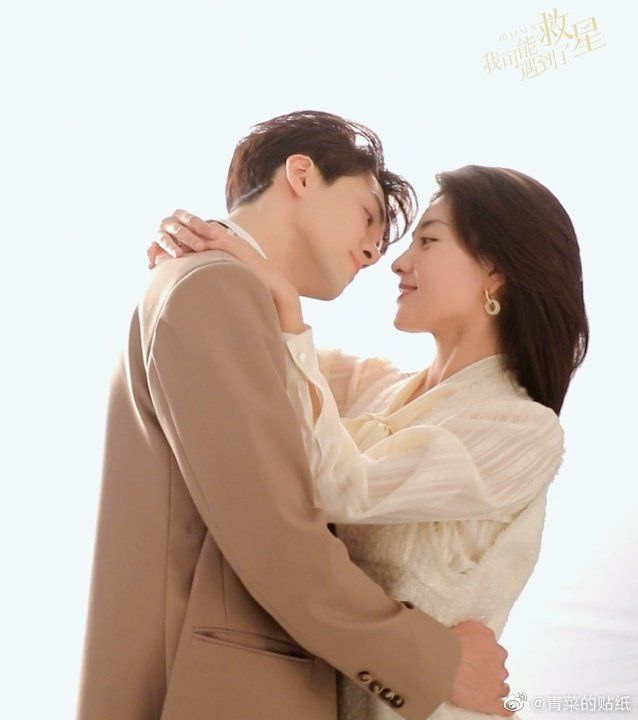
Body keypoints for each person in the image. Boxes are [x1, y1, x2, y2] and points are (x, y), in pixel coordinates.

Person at [76, 111, 514, 720]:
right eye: (368, 215)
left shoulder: (226, 293)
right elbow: (276, 535)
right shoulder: (214, 289)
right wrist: (435, 662)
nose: (375, 252)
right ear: (302, 175)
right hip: (212, 692)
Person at [147, 159, 588, 720]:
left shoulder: (523, 431)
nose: (398, 262)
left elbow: (343, 487)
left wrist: (287, 306)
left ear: (496, 273)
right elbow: (252, 346)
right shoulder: (371, 386)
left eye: (428, 241)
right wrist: (202, 246)